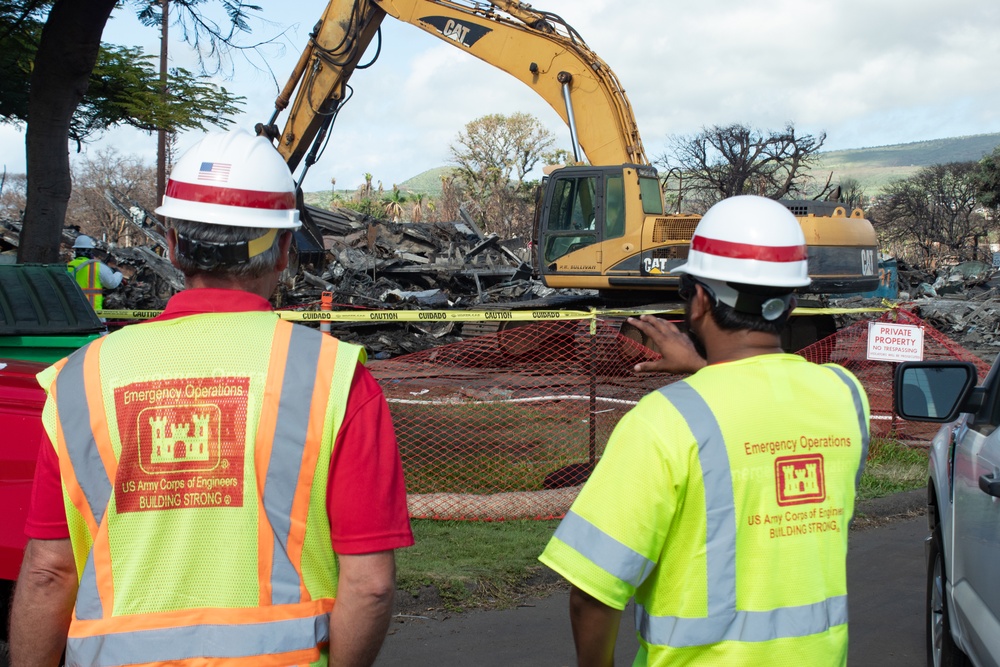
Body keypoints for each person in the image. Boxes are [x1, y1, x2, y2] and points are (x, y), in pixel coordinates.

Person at [11, 129, 414, 667]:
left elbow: (47, 571)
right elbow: (369, 585)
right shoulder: (334, 377)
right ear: (285, 249)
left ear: (174, 245)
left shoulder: (80, 381)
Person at [539, 195, 871, 666]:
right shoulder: (845, 396)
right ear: (790, 301)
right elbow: (760, 406)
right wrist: (701, 368)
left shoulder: (663, 422)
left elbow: (593, 592)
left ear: (698, 298)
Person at [67, 234, 124, 312]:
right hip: (94, 312)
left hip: (73, 312)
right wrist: (118, 273)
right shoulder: (98, 266)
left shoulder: (68, 266)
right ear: (90, 250)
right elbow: (111, 283)